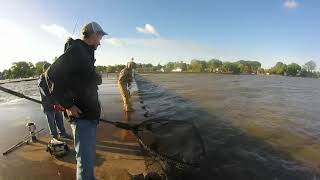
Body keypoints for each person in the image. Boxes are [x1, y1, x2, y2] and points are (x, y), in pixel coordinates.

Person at [45, 21, 107, 180]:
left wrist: (95, 78)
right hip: (82, 117)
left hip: (89, 115)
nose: (100, 41)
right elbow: (51, 74)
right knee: (85, 163)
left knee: (88, 159)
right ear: (93, 35)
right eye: (100, 37)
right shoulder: (77, 50)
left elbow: (81, 79)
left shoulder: (86, 52)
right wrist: (68, 104)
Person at [38, 62, 69, 140]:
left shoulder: (51, 78)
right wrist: (55, 103)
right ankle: (54, 136)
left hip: (56, 104)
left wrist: (59, 102)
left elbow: (57, 90)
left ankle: (63, 133)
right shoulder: (41, 81)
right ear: (44, 70)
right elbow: (46, 94)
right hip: (48, 105)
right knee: (51, 122)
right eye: (49, 69)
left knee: (60, 120)